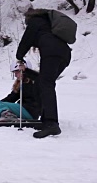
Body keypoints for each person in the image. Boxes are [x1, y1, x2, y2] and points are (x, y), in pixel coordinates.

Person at [16, 8, 72, 138]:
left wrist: (19, 56)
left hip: (52, 53)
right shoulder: (48, 24)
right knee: (43, 83)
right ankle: (46, 120)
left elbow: (27, 39)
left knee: (46, 84)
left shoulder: (36, 21)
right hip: (64, 54)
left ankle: (52, 123)